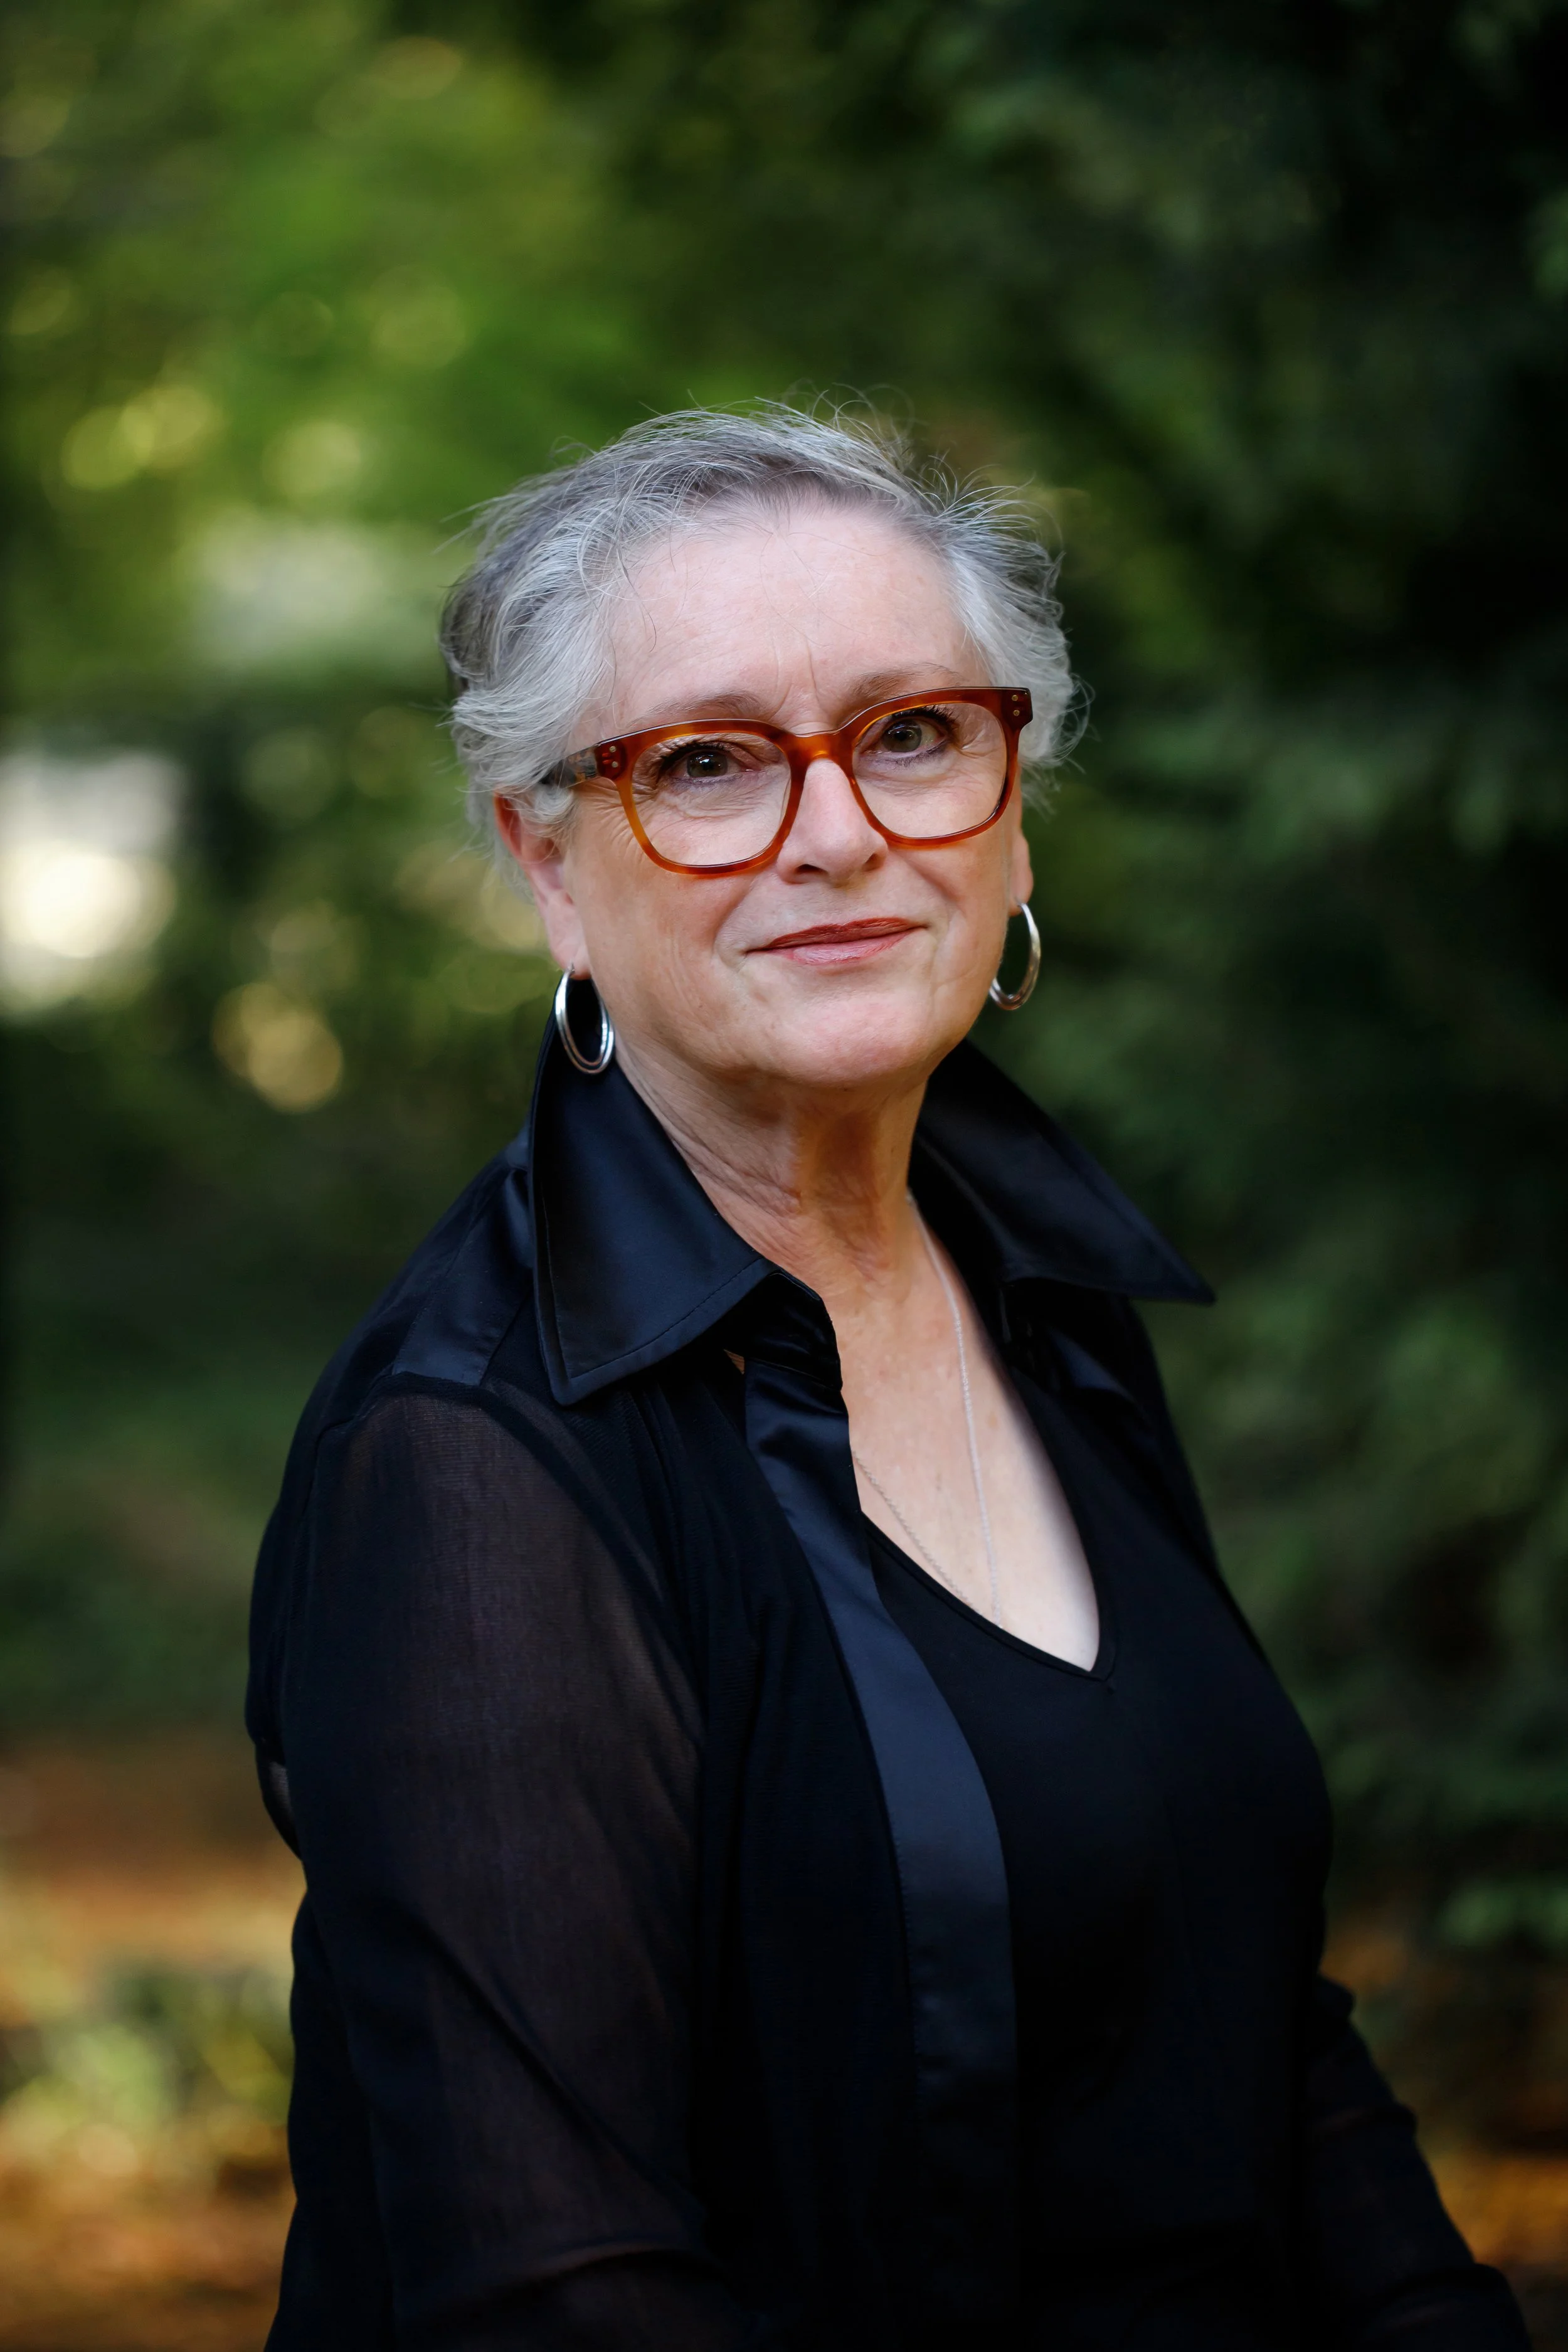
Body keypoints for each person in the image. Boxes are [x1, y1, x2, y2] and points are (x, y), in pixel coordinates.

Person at [247, 406, 1528, 2351]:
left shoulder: (1042, 1285)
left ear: (1010, 803)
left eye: (911, 732)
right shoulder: (471, 1463)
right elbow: (550, 2289)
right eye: (705, 761)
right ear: (551, 861)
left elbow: (1247, 2028)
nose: (835, 828)